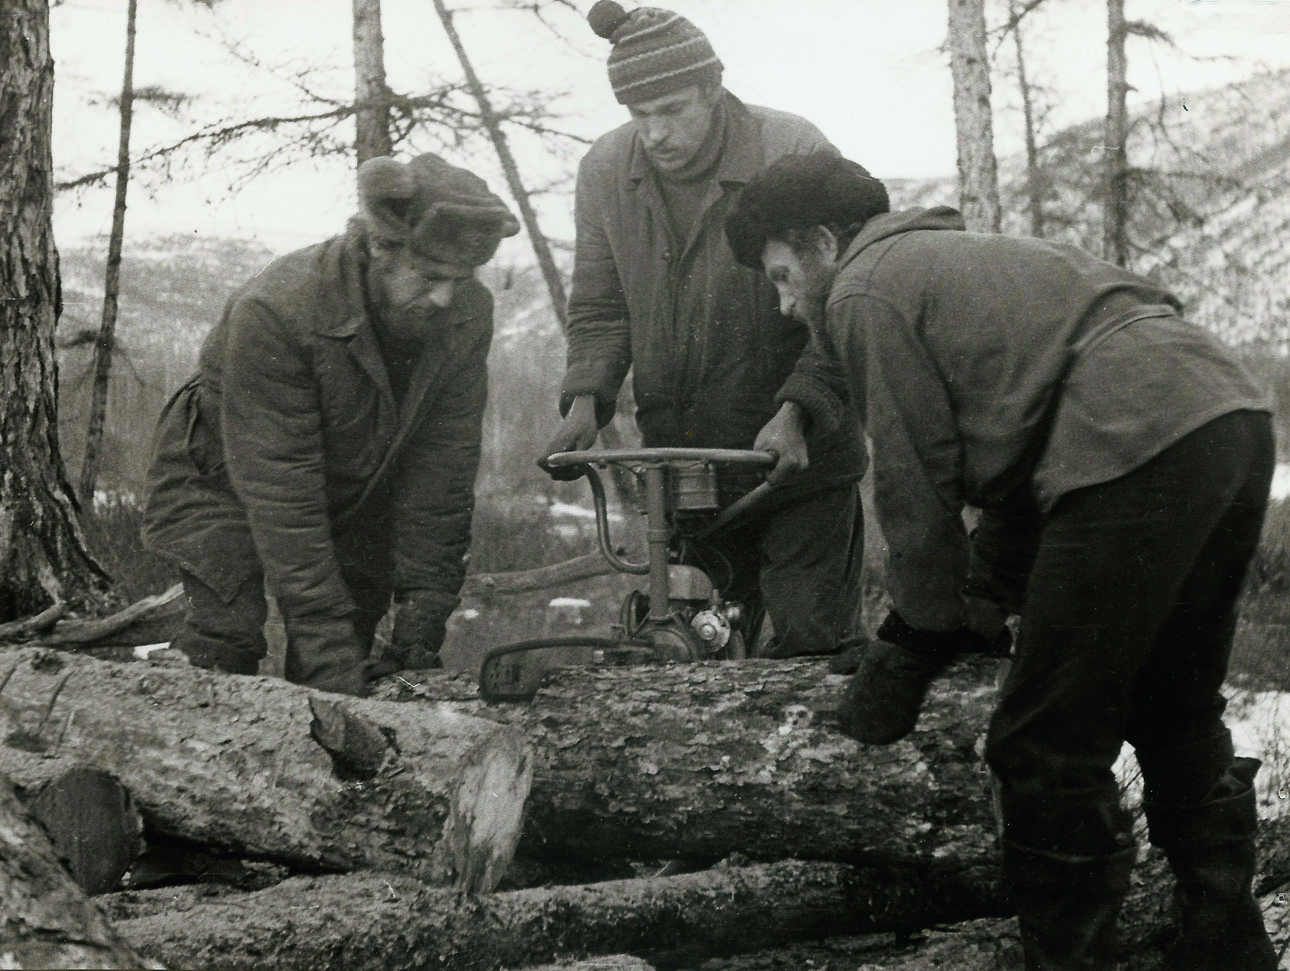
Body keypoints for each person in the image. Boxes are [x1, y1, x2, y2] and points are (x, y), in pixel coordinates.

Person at [724, 151, 1278, 971]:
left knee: (1043, 744)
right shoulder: (962, 258)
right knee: (1173, 705)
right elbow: (1027, 455)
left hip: (1133, 444)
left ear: (820, 242)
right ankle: (1228, 951)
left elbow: (915, 483)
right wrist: (979, 600)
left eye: (779, 274)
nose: (782, 302)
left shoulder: (866, 290)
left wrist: (918, 630)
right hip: (1229, 419)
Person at [541, 1, 869, 658]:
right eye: (639, 115)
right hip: (683, 465)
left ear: (714, 89)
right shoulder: (605, 170)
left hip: (794, 460)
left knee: (811, 642)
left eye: (672, 109)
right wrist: (585, 402)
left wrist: (799, 410)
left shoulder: (792, 150)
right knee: (691, 644)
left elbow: (844, 302)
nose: (655, 133)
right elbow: (602, 305)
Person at [142, 153, 519, 698]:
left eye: (460, 281)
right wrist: (324, 643)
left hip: (357, 482)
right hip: (219, 476)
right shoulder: (277, 310)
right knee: (226, 641)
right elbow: (283, 491)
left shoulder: (464, 314)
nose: (443, 298)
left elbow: (443, 472)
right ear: (377, 249)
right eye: (430, 277)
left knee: (359, 661)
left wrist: (421, 621)